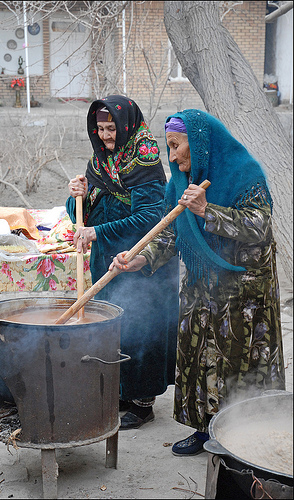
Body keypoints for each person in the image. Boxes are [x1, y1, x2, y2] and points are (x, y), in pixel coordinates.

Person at [110, 109, 286, 454]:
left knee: (240, 360)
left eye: (177, 146)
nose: (172, 156)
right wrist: (141, 258)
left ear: (201, 145)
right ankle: (205, 430)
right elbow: (172, 234)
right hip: (200, 288)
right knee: (200, 356)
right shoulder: (178, 182)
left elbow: (261, 228)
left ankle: (246, 435)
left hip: (244, 293)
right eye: (169, 148)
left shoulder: (245, 174)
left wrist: (208, 211)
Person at [66, 95, 179, 430]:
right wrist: (77, 195)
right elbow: (80, 218)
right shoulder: (101, 161)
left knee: (143, 326)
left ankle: (143, 402)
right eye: (100, 129)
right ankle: (123, 391)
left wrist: (97, 232)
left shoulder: (143, 157)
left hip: (142, 263)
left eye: (111, 128)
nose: (105, 136)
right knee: (116, 326)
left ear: (126, 124)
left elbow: (150, 218)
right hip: (109, 262)